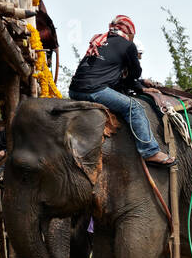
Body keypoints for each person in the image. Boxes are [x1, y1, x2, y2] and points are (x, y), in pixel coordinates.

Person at [68, 15, 175, 166]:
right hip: (95, 91)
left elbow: (106, 72)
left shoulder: (100, 40)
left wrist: (137, 81)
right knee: (135, 107)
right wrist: (139, 83)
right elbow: (135, 73)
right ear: (130, 33)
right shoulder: (128, 45)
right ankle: (150, 151)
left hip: (74, 91)